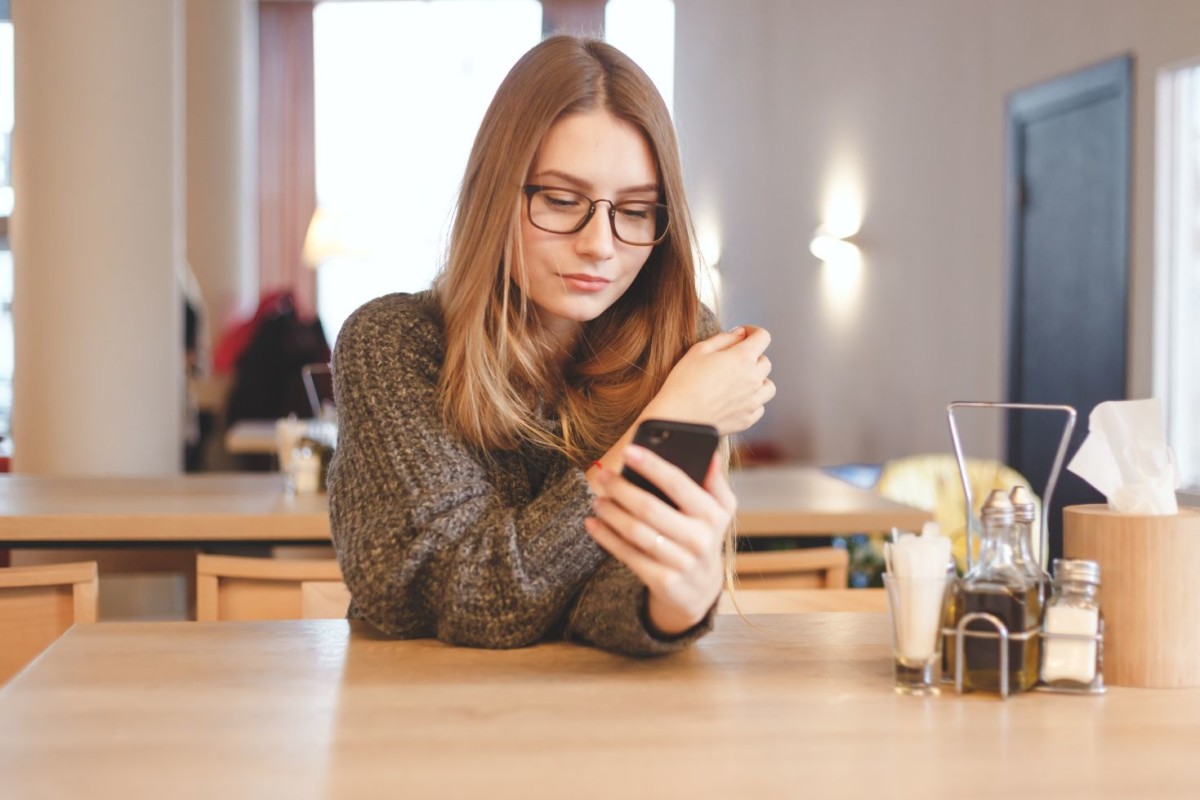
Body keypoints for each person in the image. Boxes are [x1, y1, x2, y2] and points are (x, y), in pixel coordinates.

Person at [328, 35, 775, 657]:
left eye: (638, 211)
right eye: (562, 201)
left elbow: (608, 599)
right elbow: (470, 591)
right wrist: (668, 424)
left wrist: (672, 603)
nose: (600, 244)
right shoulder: (391, 344)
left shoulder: (681, 346)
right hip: (419, 724)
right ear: (493, 194)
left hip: (598, 729)